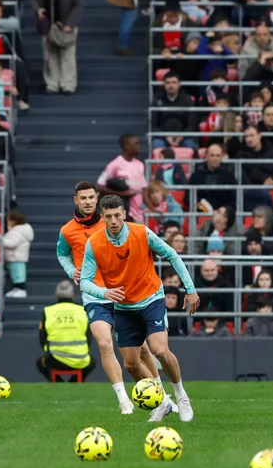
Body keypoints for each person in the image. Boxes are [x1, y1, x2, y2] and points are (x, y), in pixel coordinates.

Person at [80, 195, 199, 423]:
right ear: (102, 218)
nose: (113, 220)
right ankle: (163, 402)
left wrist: (190, 289)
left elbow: (172, 255)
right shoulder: (94, 243)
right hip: (124, 307)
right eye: (108, 216)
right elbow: (85, 280)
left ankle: (182, 396)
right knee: (131, 364)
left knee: (160, 350)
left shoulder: (141, 233)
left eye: (117, 215)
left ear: (124, 214)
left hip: (151, 299)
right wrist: (103, 293)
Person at [55, 181, 160, 413]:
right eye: (83, 198)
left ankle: (160, 394)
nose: (88, 202)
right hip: (94, 294)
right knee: (104, 343)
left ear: (97, 198)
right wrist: (71, 270)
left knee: (141, 348)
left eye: (91, 197)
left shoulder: (114, 223)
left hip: (122, 292)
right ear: (76, 200)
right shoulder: (67, 231)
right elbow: (61, 253)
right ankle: (123, 399)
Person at [33, 0, 84, 94]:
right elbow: (35, 0)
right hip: (49, 24)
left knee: (67, 55)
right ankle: (52, 84)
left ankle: (68, 84)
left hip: (66, 25)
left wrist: (70, 24)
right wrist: (38, 10)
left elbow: (78, 5)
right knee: (50, 55)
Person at [37, 279, 96, 381]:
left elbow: (42, 339)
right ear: (73, 295)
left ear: (56, 294)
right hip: (80, 359)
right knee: (92, 362)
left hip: (55, 359)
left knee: (40, 362)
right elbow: (89, 338)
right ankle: (73, 383)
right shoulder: (82, 311)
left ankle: (59, 384)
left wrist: (49, 351)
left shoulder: (48, 311)